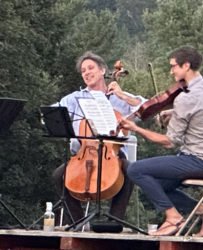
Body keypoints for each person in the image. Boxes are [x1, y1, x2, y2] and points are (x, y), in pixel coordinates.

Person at [119, 46, 203, 237]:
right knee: (161, 187)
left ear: (187, 65)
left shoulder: (185, 99)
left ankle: (173, 217)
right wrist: (174, 112)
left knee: (135, 169)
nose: (171, 70)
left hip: (198, 160)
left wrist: (136, 128)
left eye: (174, 66)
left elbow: (169, 142)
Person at [52, 51, 146, 225]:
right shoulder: (74, 98)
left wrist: (123, 95)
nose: (87, 72)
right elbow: (51, 113)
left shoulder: (120, 98)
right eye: (83, 70)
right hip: (83, 153)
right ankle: (78, 222)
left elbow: (147, 108)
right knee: (59, 175)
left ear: (103, 70)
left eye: (91, 68)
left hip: (114, 155)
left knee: (130, 170)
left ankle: (115, 220)